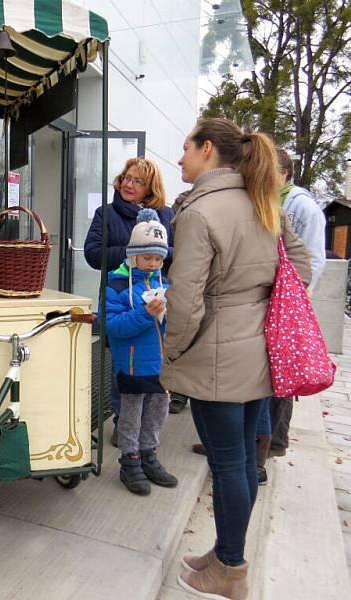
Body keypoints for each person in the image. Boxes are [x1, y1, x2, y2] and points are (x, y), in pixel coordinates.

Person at [162, 118, 310, 600]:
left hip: (217, 353)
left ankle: (230, 568)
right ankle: (227, 553)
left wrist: (173, 353)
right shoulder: (262, 198)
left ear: (208, 149)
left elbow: (184, 300)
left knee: (228, 464)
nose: (180, 157)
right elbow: (302, 268)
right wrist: (259, 307)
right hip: (258, 349)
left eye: (185, 148)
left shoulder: (200, 211)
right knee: (243, 459)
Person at [83, 158, 175, 447]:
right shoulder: (106, 214)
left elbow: (175, 252)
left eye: (137, 180)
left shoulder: (165, 215)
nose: (128, 184)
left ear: (151, 188)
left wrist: (154, 253)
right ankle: (123, 423)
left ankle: (146, 434)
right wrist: (133, 252)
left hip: (155, 298)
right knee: (122, 363)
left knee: (154, 363)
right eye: (126, 177)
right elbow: (93, 253)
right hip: (120, 294)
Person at [105, 208, 177, 496]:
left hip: (161, 363)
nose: (153, 263)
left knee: (157, 412)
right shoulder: (117, 284)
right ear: (133, 255)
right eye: (147, 257)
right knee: (131, 415)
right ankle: (129, 461)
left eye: (158, 258)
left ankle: (149, 455)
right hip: (132, 364)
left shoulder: (164, 284)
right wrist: (146, 314)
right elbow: (113, 326)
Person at [268, 148, 328, 460]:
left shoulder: (302, 206)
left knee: (283, 370)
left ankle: (275, 441)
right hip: (273, 300)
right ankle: (261, 441)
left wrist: (296, 298)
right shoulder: (266, 200)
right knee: (268, 372)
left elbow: (315, 258)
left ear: (285, 173)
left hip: (288, 304)